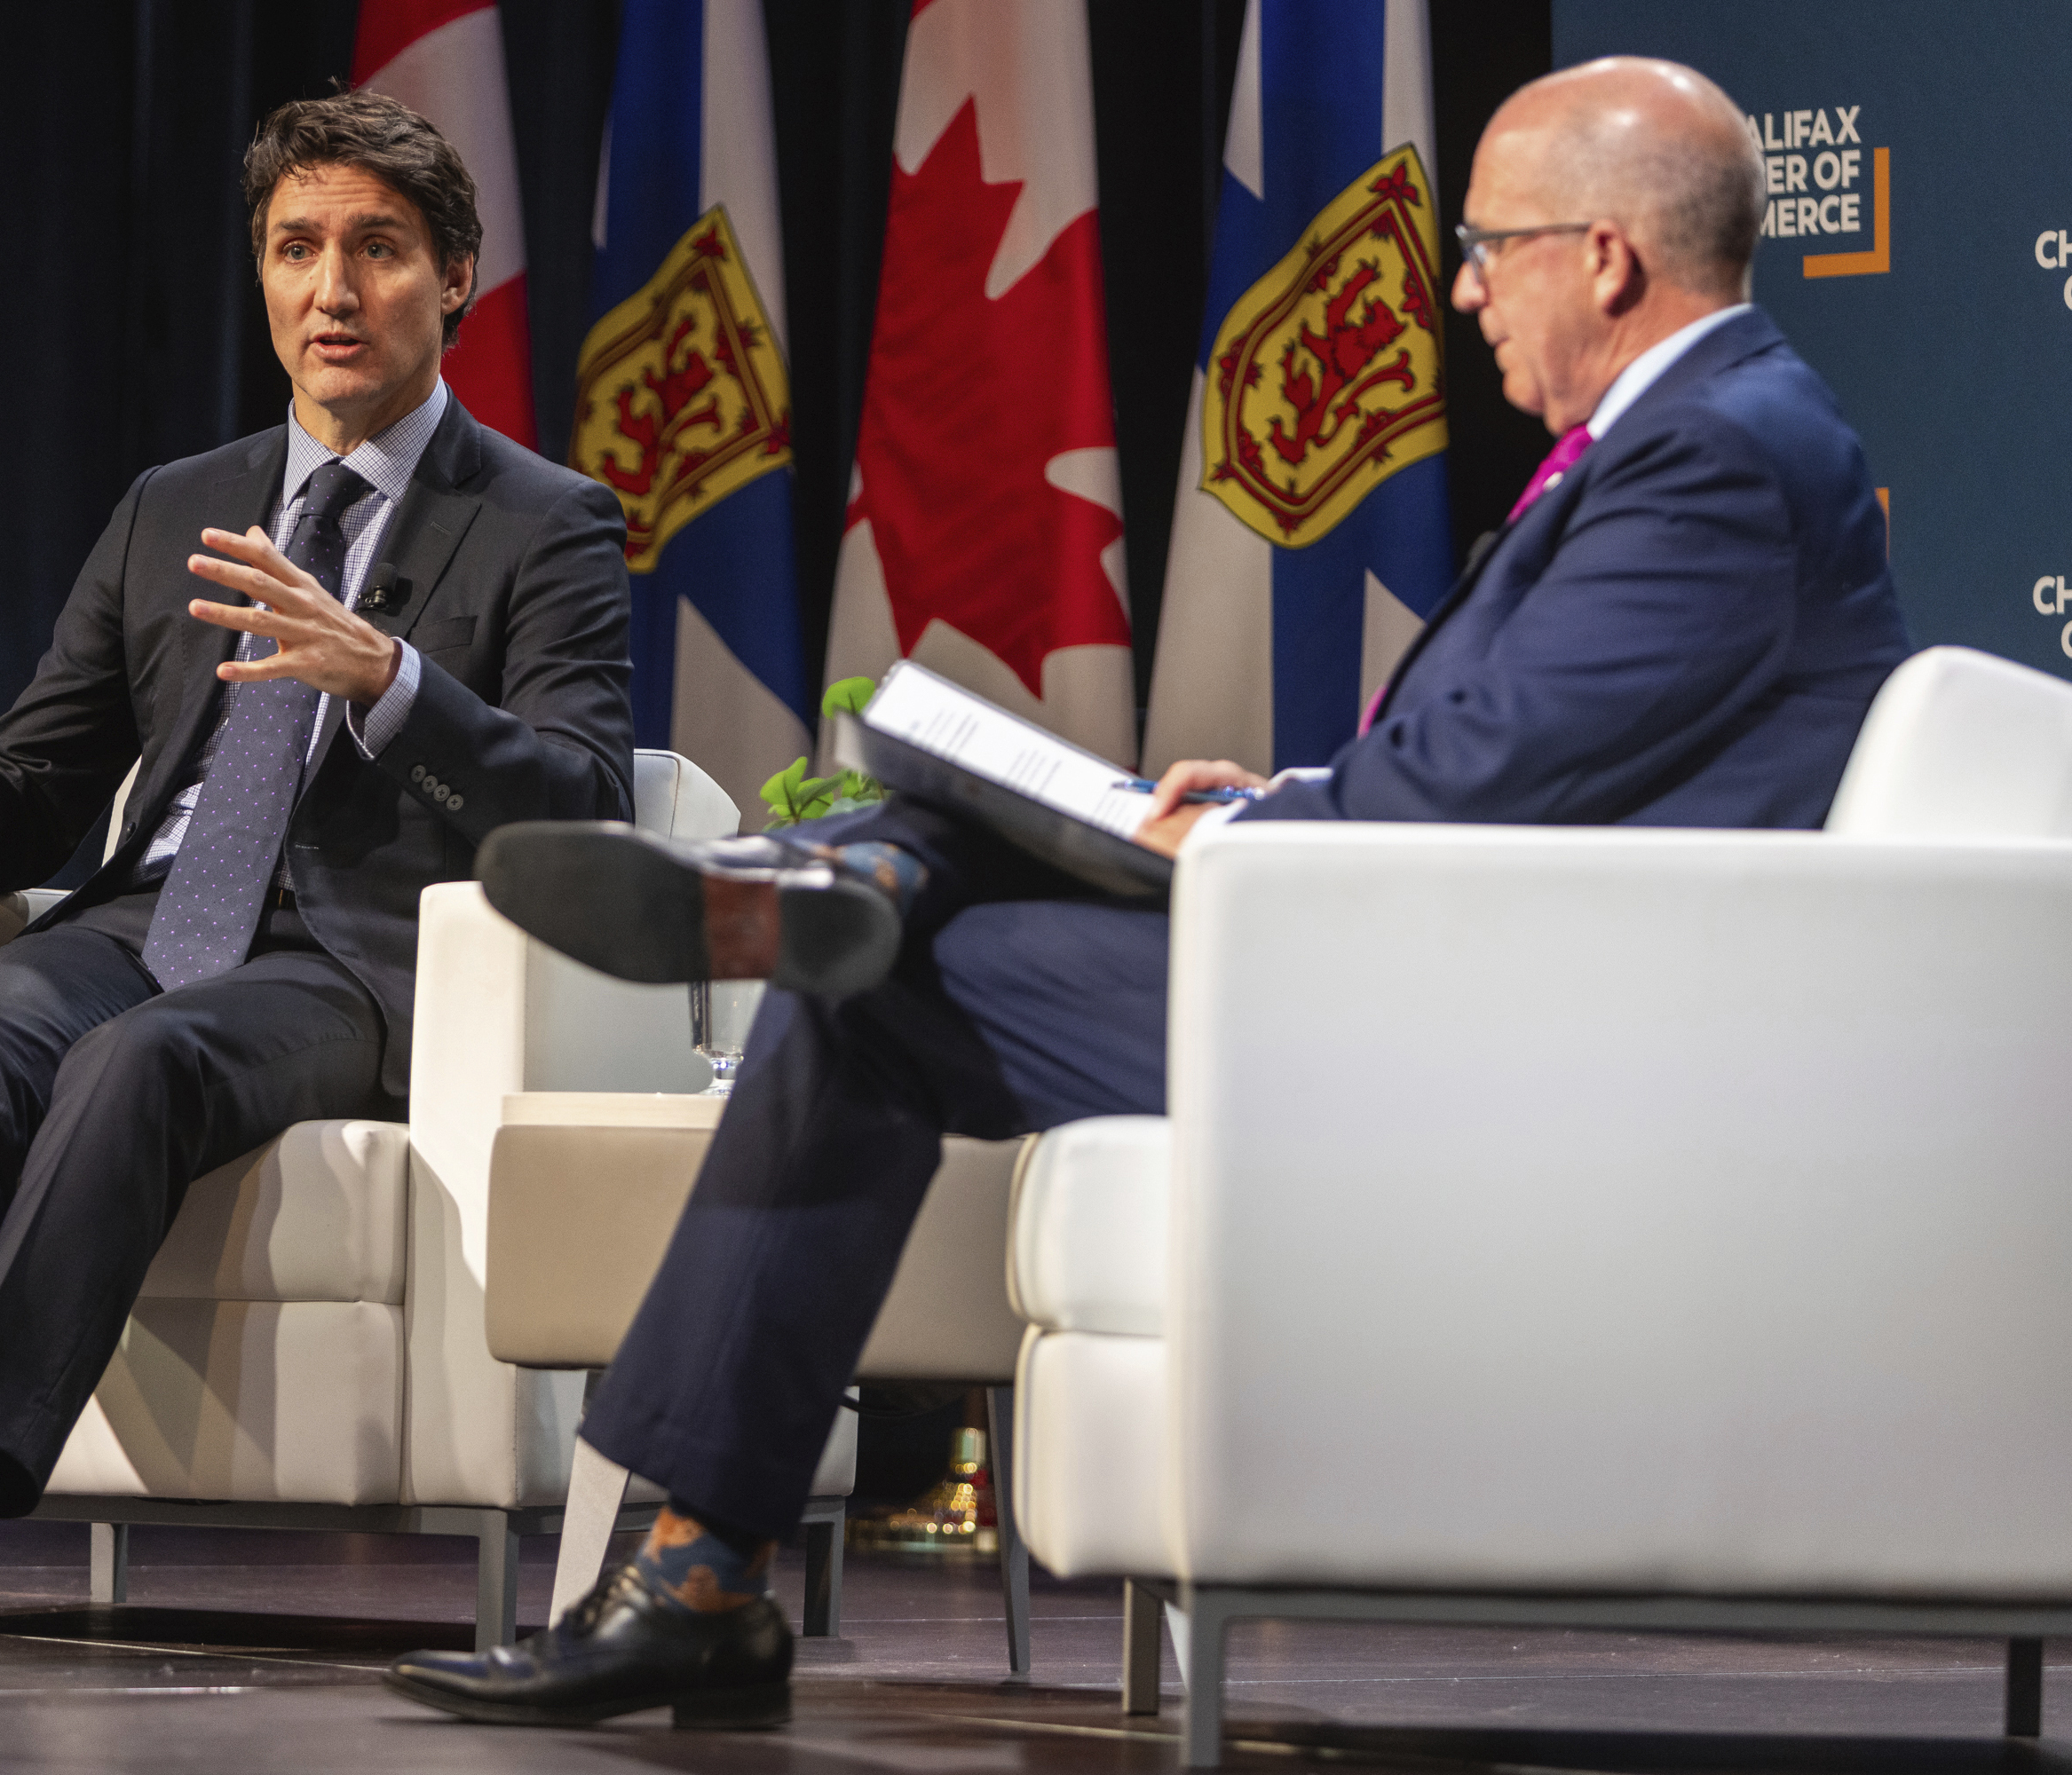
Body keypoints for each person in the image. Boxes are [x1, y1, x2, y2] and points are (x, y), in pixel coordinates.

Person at [384, 55, 1911, 1729]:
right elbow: (1519, 761)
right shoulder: (1713, 435)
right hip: (1450, 974)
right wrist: (1269, 800)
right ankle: (823, 914)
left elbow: (1477, 787)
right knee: (899, 921)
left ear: (1605, 259)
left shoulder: (1719, 459)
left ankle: (697, 1547)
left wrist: (1240, 842)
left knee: (878, 963)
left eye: (1487, 247)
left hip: (1510, 1042)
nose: (1462, 290)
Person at [0, 89, 634, 1660]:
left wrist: (389, 681)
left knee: (140, 1062)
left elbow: (589, 802)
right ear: (261, 276)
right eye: (298, 247)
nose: (334, 288)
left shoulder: (544, 524)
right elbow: (29, 806)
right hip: (148, 917)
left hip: (350, 969)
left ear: (455, 276)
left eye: (378, 249)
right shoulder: (174, 507)